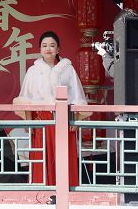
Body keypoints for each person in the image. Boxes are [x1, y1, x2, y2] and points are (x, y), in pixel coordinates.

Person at [13, 31, 87, 187]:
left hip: (64, 120)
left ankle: (66, 191)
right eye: (44, 45)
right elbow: (26, 98)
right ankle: (42, 191)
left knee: (63, 156)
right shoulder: (33, 71)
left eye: (52, 45)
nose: (48, 49)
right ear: (40, 49)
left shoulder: (67, 69)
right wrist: (29, 123)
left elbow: (77, 95)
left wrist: (75, 119)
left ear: (58, 49)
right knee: (42, 155)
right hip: (41, 121)